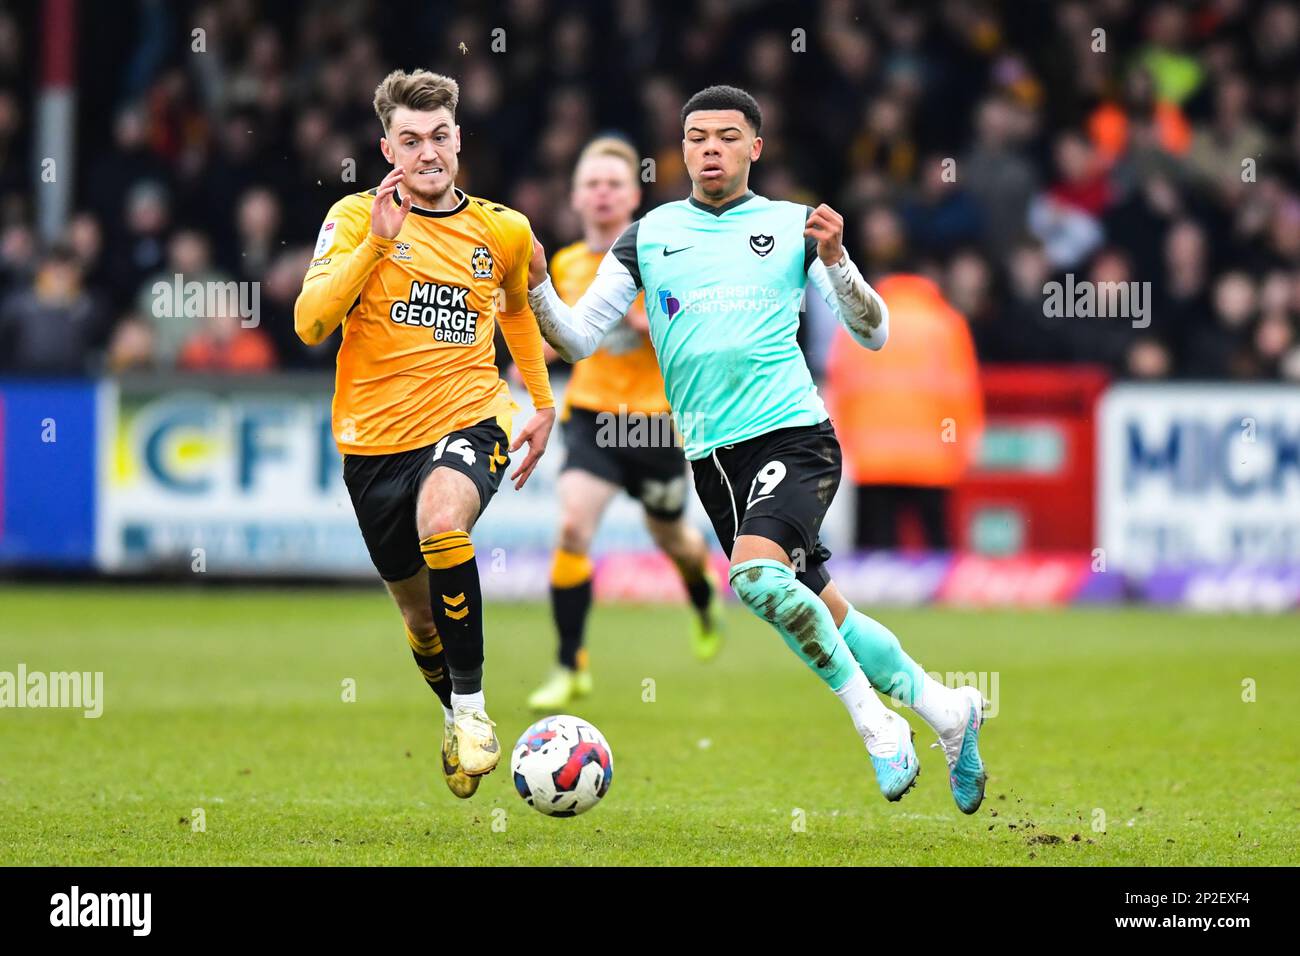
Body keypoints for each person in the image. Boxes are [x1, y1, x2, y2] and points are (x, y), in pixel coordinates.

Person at [526, 85, 989, 812]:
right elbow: (579, 338)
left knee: (755, 580)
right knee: (822, 608)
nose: (711, 149)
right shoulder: (647, 235)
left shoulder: (796, 225)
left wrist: (837, 262)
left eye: (727, 136)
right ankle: (946, 711)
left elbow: (874, 333)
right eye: (698, 137)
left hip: (794, 436)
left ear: (755, 148)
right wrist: (535, 291)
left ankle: (875, 723)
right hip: (713, 461)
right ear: (681, 151)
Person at [293, 69, 556, 799]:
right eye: (411, 140)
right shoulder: (354, 218)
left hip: (472, 413)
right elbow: (310, 322)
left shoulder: (503, 228)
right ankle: (454, 713)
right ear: (387, 149)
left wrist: (539, 400)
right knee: (418, 618)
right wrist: (376, 246)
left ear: (459, 137)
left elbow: (515, 311)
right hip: (373, 447)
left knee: (446, 520)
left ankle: (473, 714)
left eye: (441, 135)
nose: (429, 152)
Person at [528, 136, 723, 712]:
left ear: (634, 195)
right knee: (572, 530)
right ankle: (571, 666)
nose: (603, 193)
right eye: (592, 184)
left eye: (614, 183)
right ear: (576, 198)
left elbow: (699, 331)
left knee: (671, 538)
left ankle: (701, 590)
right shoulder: (563, 264)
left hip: (656, 425)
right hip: (591, 417)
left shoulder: (662, 254)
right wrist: (532, 355)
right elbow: (564, 340)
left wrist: (653, 321)